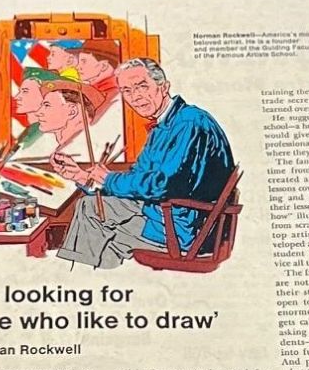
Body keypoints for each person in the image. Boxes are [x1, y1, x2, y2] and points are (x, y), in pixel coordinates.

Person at [52, 59, 234, 268]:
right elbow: (138, 177)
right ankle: (88, 274)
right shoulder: (162, 127)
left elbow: (162, 184)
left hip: (183, 228)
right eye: (127, 91)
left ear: (164, 87)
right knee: (89, 206)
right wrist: (84, 177)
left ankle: (81, 277)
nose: (135, 97)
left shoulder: (188, 122)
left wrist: (109, 179)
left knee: (96, 226)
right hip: (162, 212)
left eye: (142, 86)